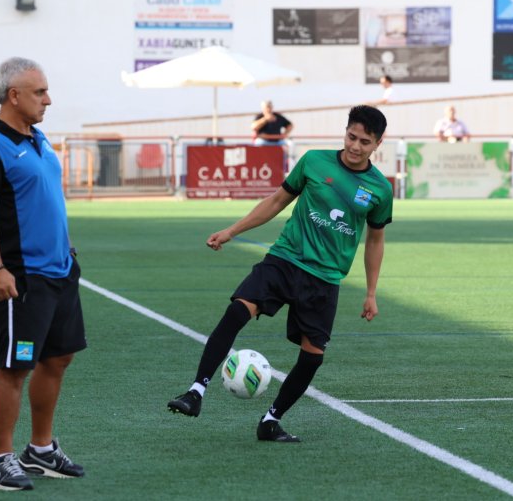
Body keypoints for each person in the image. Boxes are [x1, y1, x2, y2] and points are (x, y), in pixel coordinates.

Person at [168, 105, 393, 442]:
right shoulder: (314, 161)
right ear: (344, 132)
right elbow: (276, 202)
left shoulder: (379, 189)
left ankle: (271, 421)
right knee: (236, 311)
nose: (355, 146)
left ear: (378, 143)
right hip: (285, 259)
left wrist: (371, 293)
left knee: (313, 357)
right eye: (351, 137)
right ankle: (195, 392)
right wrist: (232, 231)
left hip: (326, 278)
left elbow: (376, 240)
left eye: (364, 141)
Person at [0, 57, 86, 490]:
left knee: (58, 358)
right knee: (16, 367)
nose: (48, 100)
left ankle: (40, 450)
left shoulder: (39, 138)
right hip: (21, 277)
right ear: (13, 95)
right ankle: (1, 459)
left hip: (60, 271)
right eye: (40, 92)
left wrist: (67, 251)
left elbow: (46, 199)